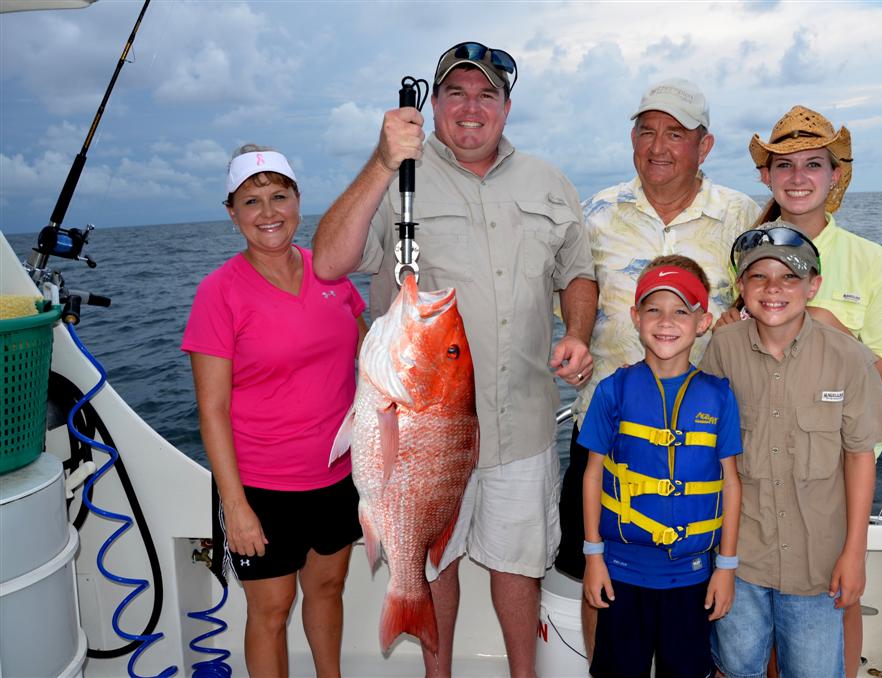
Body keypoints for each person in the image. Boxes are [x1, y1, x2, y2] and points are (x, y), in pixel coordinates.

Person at [312, 42, 597, 677]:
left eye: (487, 94)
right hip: (420, 428)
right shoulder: (398, 176)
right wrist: (383, 162)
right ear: (435, 104)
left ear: (507, 107)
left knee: (518, 566)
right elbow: (329, 260)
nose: (472, 107)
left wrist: (578, 330)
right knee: (432, 561)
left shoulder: (549, 182)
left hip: (521, 422)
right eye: (457, 93)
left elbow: (577, 274)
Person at [554, 78, 759, 658]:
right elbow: (566, 296)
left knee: (701, 595)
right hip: (605, 434)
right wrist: (573, 337)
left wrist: (870, 311)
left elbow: (789, 282)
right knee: (602, 589)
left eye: (676, 132)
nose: (658, 145)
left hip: (710, 438)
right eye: (646, 129)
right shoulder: (593, 214)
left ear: (706, 144)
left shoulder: (743, 216)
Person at [734, 105, 882, 677]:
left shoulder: (871, 261)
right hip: (759, 458)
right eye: (783, 165)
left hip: (837, 467)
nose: (798, 177)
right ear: (766, 176)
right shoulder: (745, 251)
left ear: (836, 174)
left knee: (840, 600)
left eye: (814, 164)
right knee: (757, 609)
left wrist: (834, 334)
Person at [182, 145, 367, 677]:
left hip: (338, 474)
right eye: (252, 201)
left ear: (299, 202)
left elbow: (372, 361)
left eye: (279, 196)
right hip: (262, 487)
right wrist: (235, 506)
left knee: (328, 589)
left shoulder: (332, 274)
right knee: (271, 609)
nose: (268, 213)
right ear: (232, 213)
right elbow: (212, 410)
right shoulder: (218, 294)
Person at [701, 225, 882, 678]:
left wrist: (854, 554)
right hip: (739, 556)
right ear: (741, 288)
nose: (773, 289)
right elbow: (707, 447)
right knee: (735, 665)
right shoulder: (723, 349)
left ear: (814, 287)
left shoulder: (849, 358)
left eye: (790, 277)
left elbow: (860, 457)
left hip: (817, 564)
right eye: (758, 277)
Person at [580, 255, 742, 678]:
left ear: (703, 322)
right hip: (620, 572)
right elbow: (593, 473)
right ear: (635, 317)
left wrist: (725, 567)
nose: (666, 321)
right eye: (653, 309)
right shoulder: (612, 390)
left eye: (681, 311)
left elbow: (731, 482)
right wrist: (593, 556)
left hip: (691, 579)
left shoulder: (719, 397)